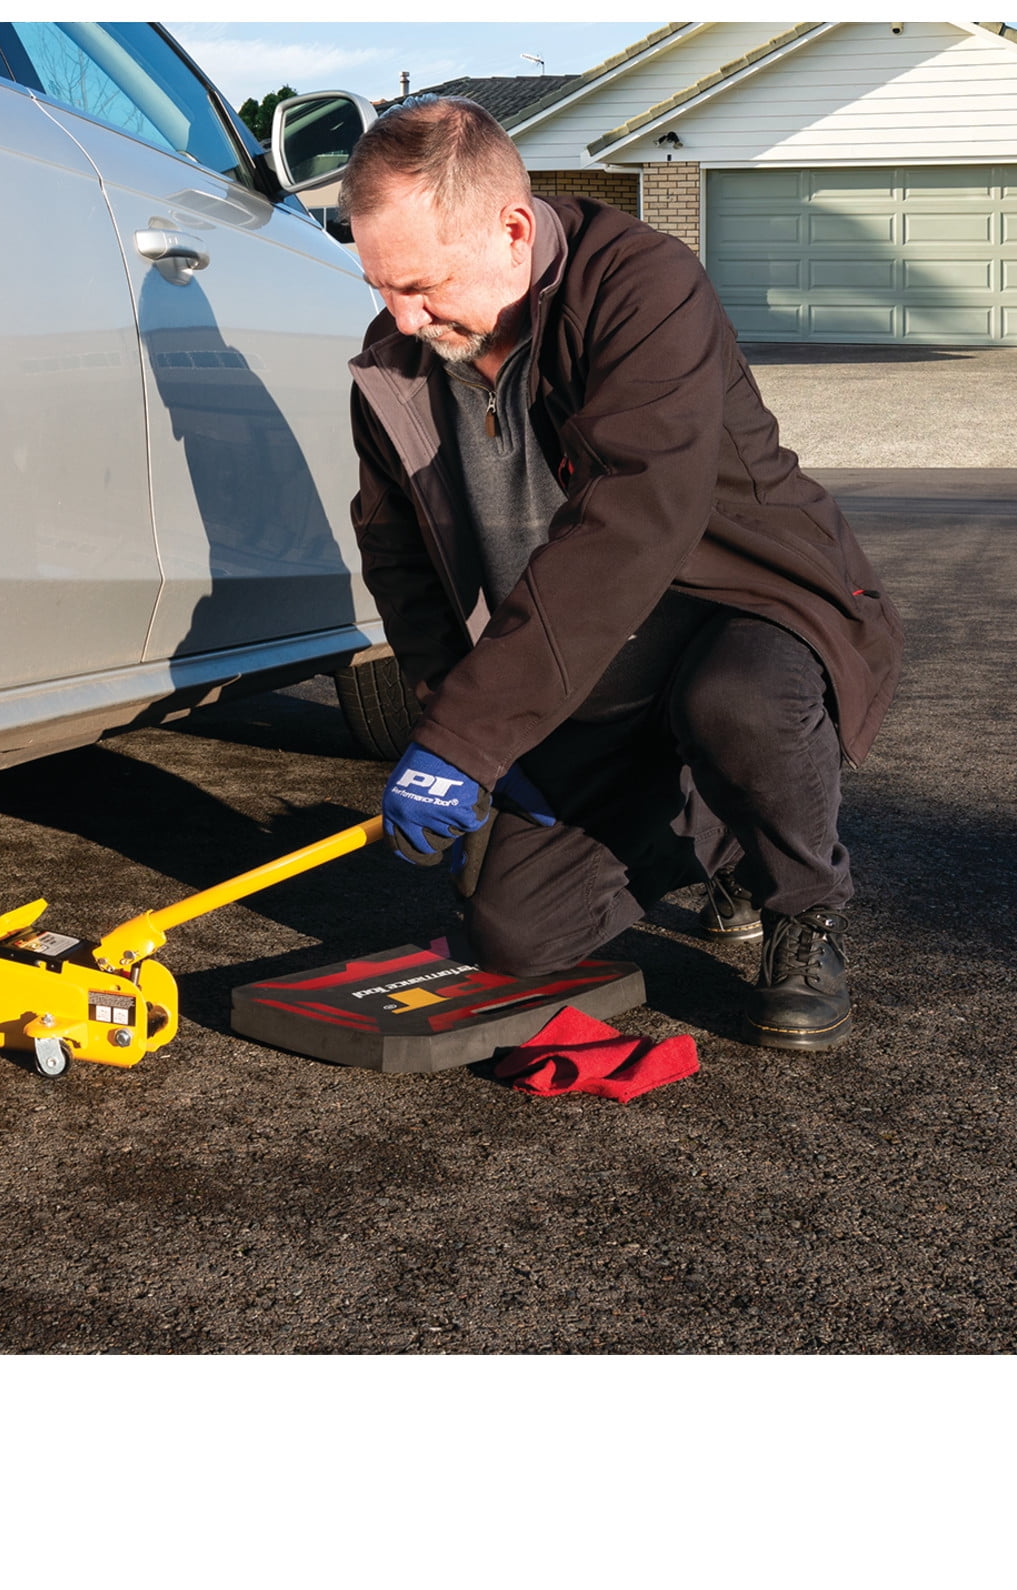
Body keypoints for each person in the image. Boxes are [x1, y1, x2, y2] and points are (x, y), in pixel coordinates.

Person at [342, 96, 902, 1051]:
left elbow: (635, 519)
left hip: (745, 604)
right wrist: (455, 726)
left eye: (423, 284)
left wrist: (465, 741)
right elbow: (400, 561)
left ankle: (801, 906)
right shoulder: (399, 363)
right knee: (511, 932)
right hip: (592, 655)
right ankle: (713, 829)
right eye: (381, 285)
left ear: (513, 230)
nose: (401, 316)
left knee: (739, 705)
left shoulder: (645, 286)